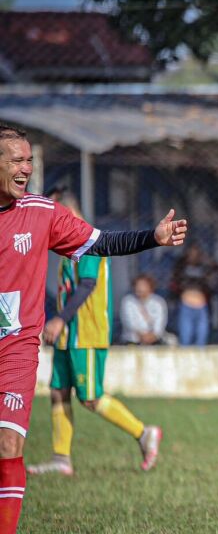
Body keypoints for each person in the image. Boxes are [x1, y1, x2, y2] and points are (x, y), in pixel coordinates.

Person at [0, 123, 186, 534]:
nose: (26, 168)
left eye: (29, 160)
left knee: (11, 444)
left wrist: (152, 238)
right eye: (17, 160)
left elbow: (102, 244)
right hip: (57, 335)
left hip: (19, 347)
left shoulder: (43, 214)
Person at [26, 194, 162, 477]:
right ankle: (61, 458)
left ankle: (143, 432)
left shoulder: (86, 239)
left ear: (66, 209)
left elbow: (87, 284)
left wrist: (59, 320)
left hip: (85, 332)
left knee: (90, 397)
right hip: (69, 333)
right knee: (58, 392)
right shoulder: (65, 241)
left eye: (51, 208)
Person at [170, 242, 216, 346]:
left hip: (201, 306)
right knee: (185, 338)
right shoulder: (181, 266)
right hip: (186, 305)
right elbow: (175, 283)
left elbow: (212, 283)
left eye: (196, 252)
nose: (193, 255)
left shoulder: (205, 267)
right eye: (190, 252)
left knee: (201, 339)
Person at [120, 274, 169, 345]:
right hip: (133, 339)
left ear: (150, 287)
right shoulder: (128, 301)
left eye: (143, 285)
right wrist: (142, 335)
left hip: (154, 340)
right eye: (137, 285)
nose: (139, 288)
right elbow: (129, 322)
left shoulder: (158, 302)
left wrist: (153, 336)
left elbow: (160, 323)